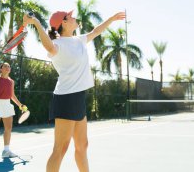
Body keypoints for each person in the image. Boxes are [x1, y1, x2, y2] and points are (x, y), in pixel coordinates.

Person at [23, 10, 125, 172]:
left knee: (82, 145)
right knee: (61, 148)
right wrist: (35, 23)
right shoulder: (57, 45)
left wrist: (111, 18)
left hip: (78, 97)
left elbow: (96, 31)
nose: (74, 17)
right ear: (63, 22)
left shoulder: (79, 40)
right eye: (70, 17)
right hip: (66, 98)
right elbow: (48, 46)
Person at [0, 62, 28, 158]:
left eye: (9, 66)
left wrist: (20, 105)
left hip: (7, 105)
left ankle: (6, 150)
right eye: (5, 66)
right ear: (1, 69)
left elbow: (12, 95)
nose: (7, 68)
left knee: (8, 129)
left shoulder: (11, 81)